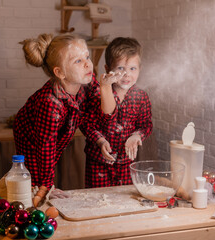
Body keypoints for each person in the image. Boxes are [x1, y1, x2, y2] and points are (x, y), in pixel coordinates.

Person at [13, 33, 99, 196]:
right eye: (78, 61)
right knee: (35, 184)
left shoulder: (85, 78)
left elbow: (97, 100)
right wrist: (46, 185)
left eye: (87, 56)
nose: (88, 64)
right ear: (60, 72)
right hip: (31, 137)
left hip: (59, 130)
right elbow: (45, 148)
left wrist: (110, 87)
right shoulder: (50, 104)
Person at [82, 37, 153, 188]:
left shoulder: (141, 97)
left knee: (124, 198)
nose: (127, 74)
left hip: (126, 163)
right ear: (108, 69)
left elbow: (146, 124)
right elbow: (87, 124)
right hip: (98, 163)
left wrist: (137, 135)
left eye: (132, 69)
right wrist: (100, 141)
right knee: (98, 199)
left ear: (140, 69)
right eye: (121, 68)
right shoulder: (97, 94)